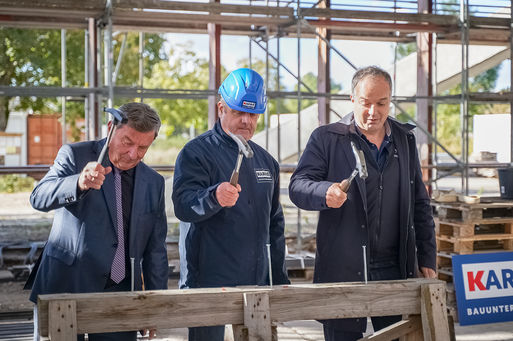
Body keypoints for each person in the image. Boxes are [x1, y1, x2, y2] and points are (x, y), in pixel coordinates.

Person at [288, 66, 436, 341]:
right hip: (343, 267)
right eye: (366, 103)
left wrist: (427, 257)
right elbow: (297, 186)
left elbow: (420, 204)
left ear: (390, 101)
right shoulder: (327, 138)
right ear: (352, 100)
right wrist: (325, 192)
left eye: (381, 103)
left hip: (395, 267)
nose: (373, 112)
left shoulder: (405, 140)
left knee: (397, 335)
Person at [28, 102, 169, 341]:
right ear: (111, 127)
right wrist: (78, 183)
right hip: (65, 287)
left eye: (143, 147)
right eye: (128, 142)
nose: (133, 154)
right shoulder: (75, 154)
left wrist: (153, 307)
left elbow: (156, 251)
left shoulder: (153, 183)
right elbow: (38, 197)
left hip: (120, 295)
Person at [172, 68, 290, 341]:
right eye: (239, 112)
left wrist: (279, 279)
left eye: (253, 114)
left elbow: (275, 224)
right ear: (221, 108)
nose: (247, 121)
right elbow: (182, 205)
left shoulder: (266, 162)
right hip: (207, 282)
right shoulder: (196, 152)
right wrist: (213, 197)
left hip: (257, 281)